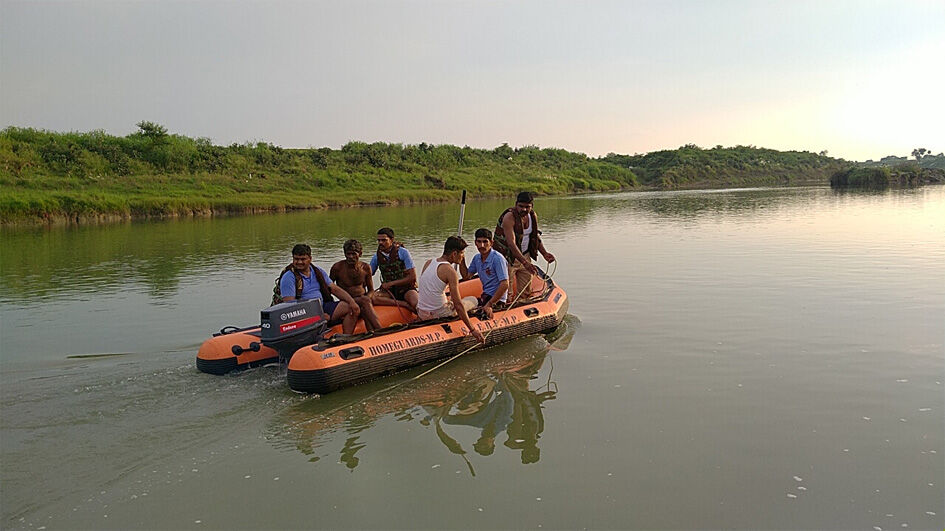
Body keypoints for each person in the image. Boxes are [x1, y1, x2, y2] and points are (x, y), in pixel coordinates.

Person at [277, 243, 361, 335]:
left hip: (321, 306)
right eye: (296, 259)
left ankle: (346, 338)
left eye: (303, 259)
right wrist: (318, 316)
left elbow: (335, 289)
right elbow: (290, 306)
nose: (299, 262)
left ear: (310, 259)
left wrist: (351, 301)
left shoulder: (317, 271)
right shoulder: (289, 277)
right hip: (303, 314)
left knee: (350, 307)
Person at [416, 236, 485, 343]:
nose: (463, 256)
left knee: (450, 301)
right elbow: (458, 305)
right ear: (454, 254)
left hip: (422, 312)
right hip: (439, 314)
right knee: (473, 300)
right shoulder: (450, 271)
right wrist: (473, 329)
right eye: (462, 253)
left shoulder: (429, 262)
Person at [493, 191, 556, 299]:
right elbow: (511, 243)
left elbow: (534, 237)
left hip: (525, 256)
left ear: (532, 206)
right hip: (508, 258)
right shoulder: (509, 217)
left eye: (527, 207)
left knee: (525, 292)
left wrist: (544, 253)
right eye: (521, 206)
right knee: (505, 291)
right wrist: (525, 262)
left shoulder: (532, 216)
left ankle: (520, 308)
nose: (524, 210)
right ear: (516, 204)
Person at [329, 239, 382, 332]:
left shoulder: (365, 268)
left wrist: (368, 299)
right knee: (364, 300)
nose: (350, 257)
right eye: (348, 254)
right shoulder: (337, 268)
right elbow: (329, 288)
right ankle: (380, 329)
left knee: (365, 302)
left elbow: (371, 290)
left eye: (354, 254)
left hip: (363, 300)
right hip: (346, 302)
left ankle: (373, 333)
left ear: (360, 254)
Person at [462, 228, 509, 319]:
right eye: (479, 242)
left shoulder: (497, 259)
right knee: (462, 305)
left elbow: (505, 284)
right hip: (485, 296)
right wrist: (461, 259)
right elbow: (466, 276)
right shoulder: (477, 258)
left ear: (491, 242)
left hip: (496, 299)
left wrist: (490, 304)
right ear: (475, 243)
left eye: (485, 242)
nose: (482, 245)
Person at [370, 227, 419, 311]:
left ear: (391, 240)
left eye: (384, 240)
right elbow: (369, 273)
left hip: (406, 289)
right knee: (373, 298)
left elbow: (412, 277)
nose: (380, 243)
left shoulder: (403, 252)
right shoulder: (376, 257)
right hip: (389, 291)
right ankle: (404, 304)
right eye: (379, 240)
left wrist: (391, 283)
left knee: (416, 303)